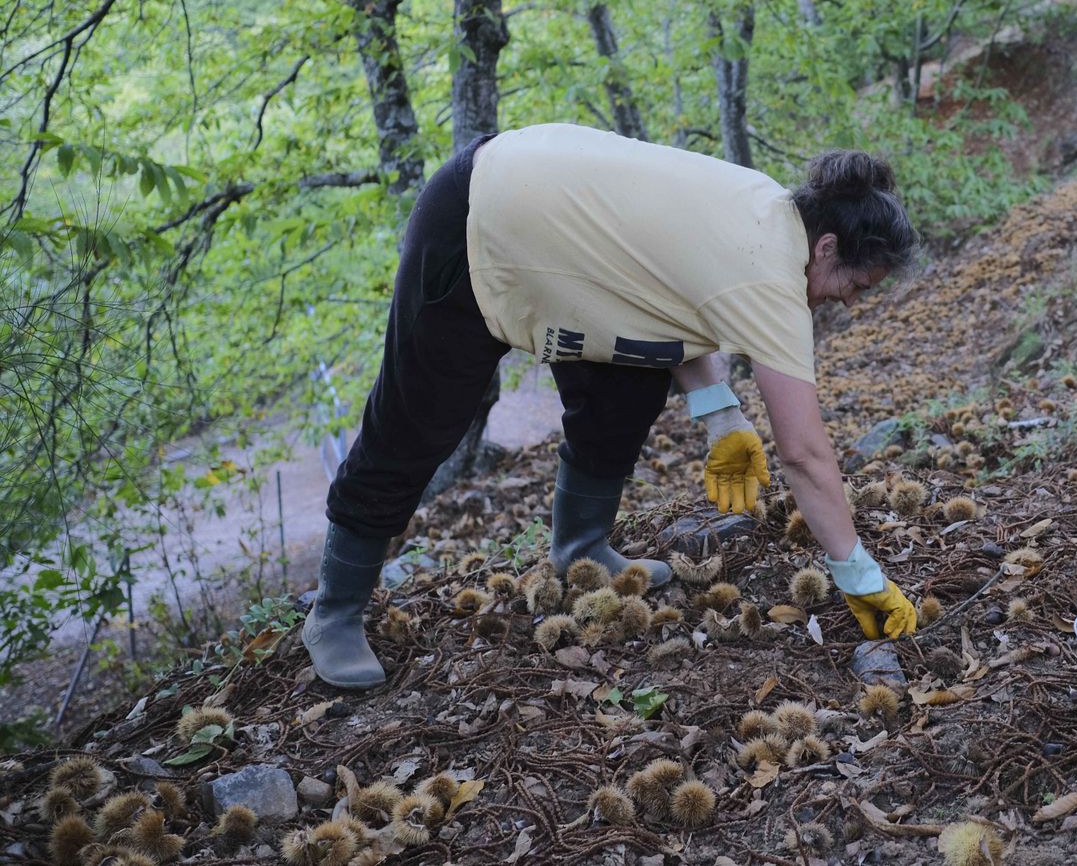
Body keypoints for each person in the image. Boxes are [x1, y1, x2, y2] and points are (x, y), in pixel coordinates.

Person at [301, 123, 921, 688]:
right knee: (417, 422)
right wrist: (860, 576)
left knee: (628, 382)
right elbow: (806, 455)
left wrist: (721, 417)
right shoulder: (767, 271)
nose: (850, 303)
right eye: (856, 286)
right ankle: (336, 610)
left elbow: (669, 297)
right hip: (481, 218)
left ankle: (580, 551)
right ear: (828, 249)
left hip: (566, 239)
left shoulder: (771, 212)